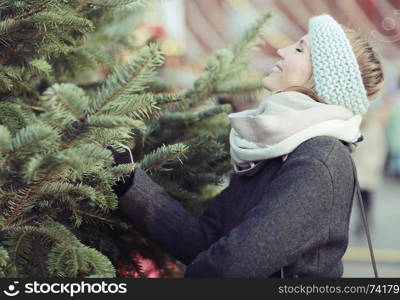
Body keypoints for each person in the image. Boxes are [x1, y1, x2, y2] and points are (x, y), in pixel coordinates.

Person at [116, 14, 384, 277]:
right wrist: (129, 183)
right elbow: (205, 240)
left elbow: (233, 266)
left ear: (321, 77)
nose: (282, 50)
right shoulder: (277, 148)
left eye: (299, 49)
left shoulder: (320, 158)